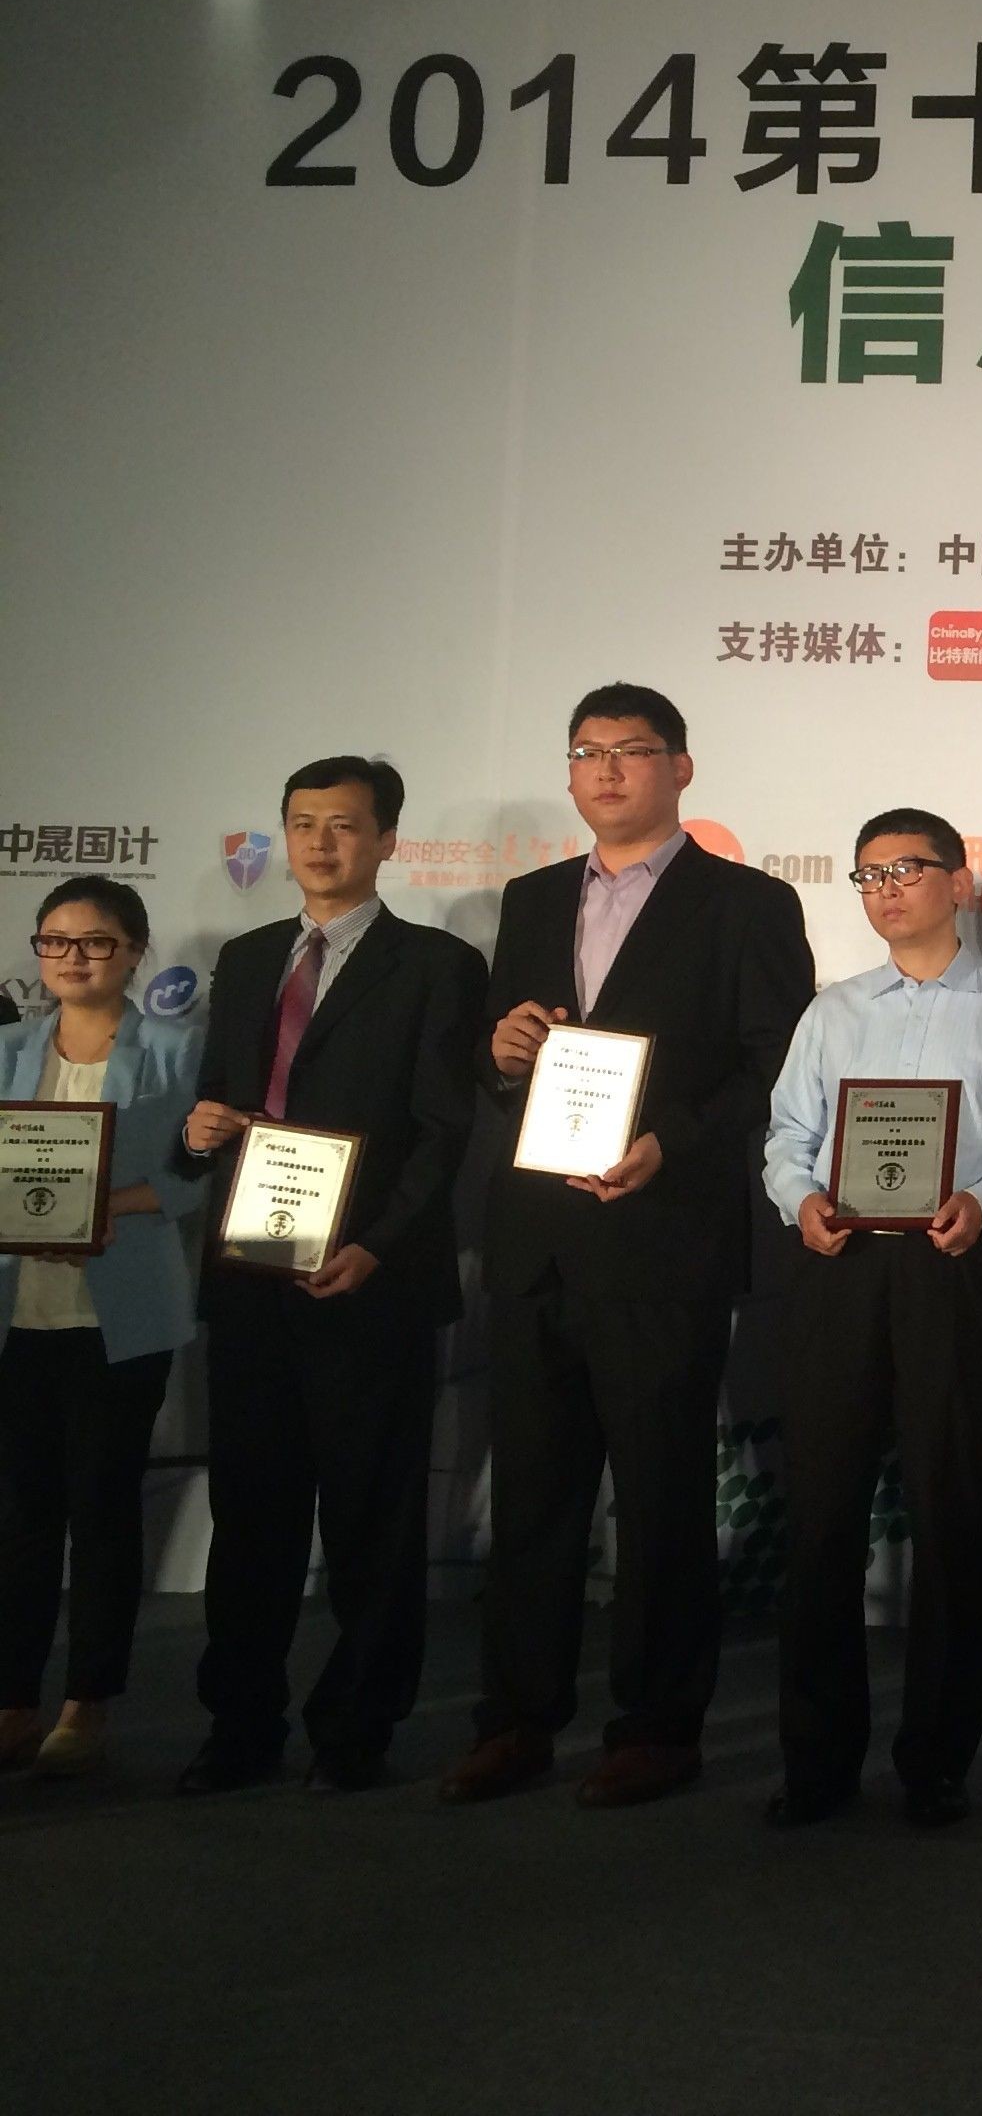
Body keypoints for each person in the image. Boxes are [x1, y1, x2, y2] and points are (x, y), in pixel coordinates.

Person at [441, 685, 814, 1810]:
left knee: (659, 1499)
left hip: (661, 1239)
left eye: (632, 750)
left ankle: (656, 1727)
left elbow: (773, 1066)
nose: (606, 770)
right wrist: (501, 1052)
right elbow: (502, 1061)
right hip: (537, 1239)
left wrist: (670, 1145)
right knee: (534, 1500)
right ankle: (517, 1720)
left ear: (681, 769)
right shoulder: (532, 897)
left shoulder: (746, 903)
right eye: (586, 752)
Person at [173, 757, 486, 1796]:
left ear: (387, 840)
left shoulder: (436, 965)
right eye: (302, 822)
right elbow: (221, 1100)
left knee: (371, 1520)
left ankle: (357, 1727)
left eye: (343, 824)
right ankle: (240, 1725)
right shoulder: (247, 958)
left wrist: (378, 1246)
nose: (319, 842)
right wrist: (197, 1132)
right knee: (251, 1518)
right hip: (250, 1275)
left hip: (368, 1280)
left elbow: (443, 1133)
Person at [758, 810, 982, 1831]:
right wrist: (802, 1202)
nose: (885, 891)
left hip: (954, 1269)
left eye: (906, 870)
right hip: (840, 1267)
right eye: (868, 876)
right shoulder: (833, 1010)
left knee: (952, 1516)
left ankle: (936, 1763)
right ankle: (818, 1761)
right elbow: (788, 1136)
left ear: (958, 883)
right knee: (822, 1519)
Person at [0, 877, 203, 1779]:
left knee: (103, 1507)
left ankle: (88, 1702)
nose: (73, 958)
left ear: (134, 951)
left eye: (95, 942)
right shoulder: (8, 1049)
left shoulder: (176, 1050)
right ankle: (12, 1700)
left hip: (120, 1317)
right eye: (55, 941)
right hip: (17, 1312)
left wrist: (104, 1208)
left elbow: (200, 1176)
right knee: (20, 1516)